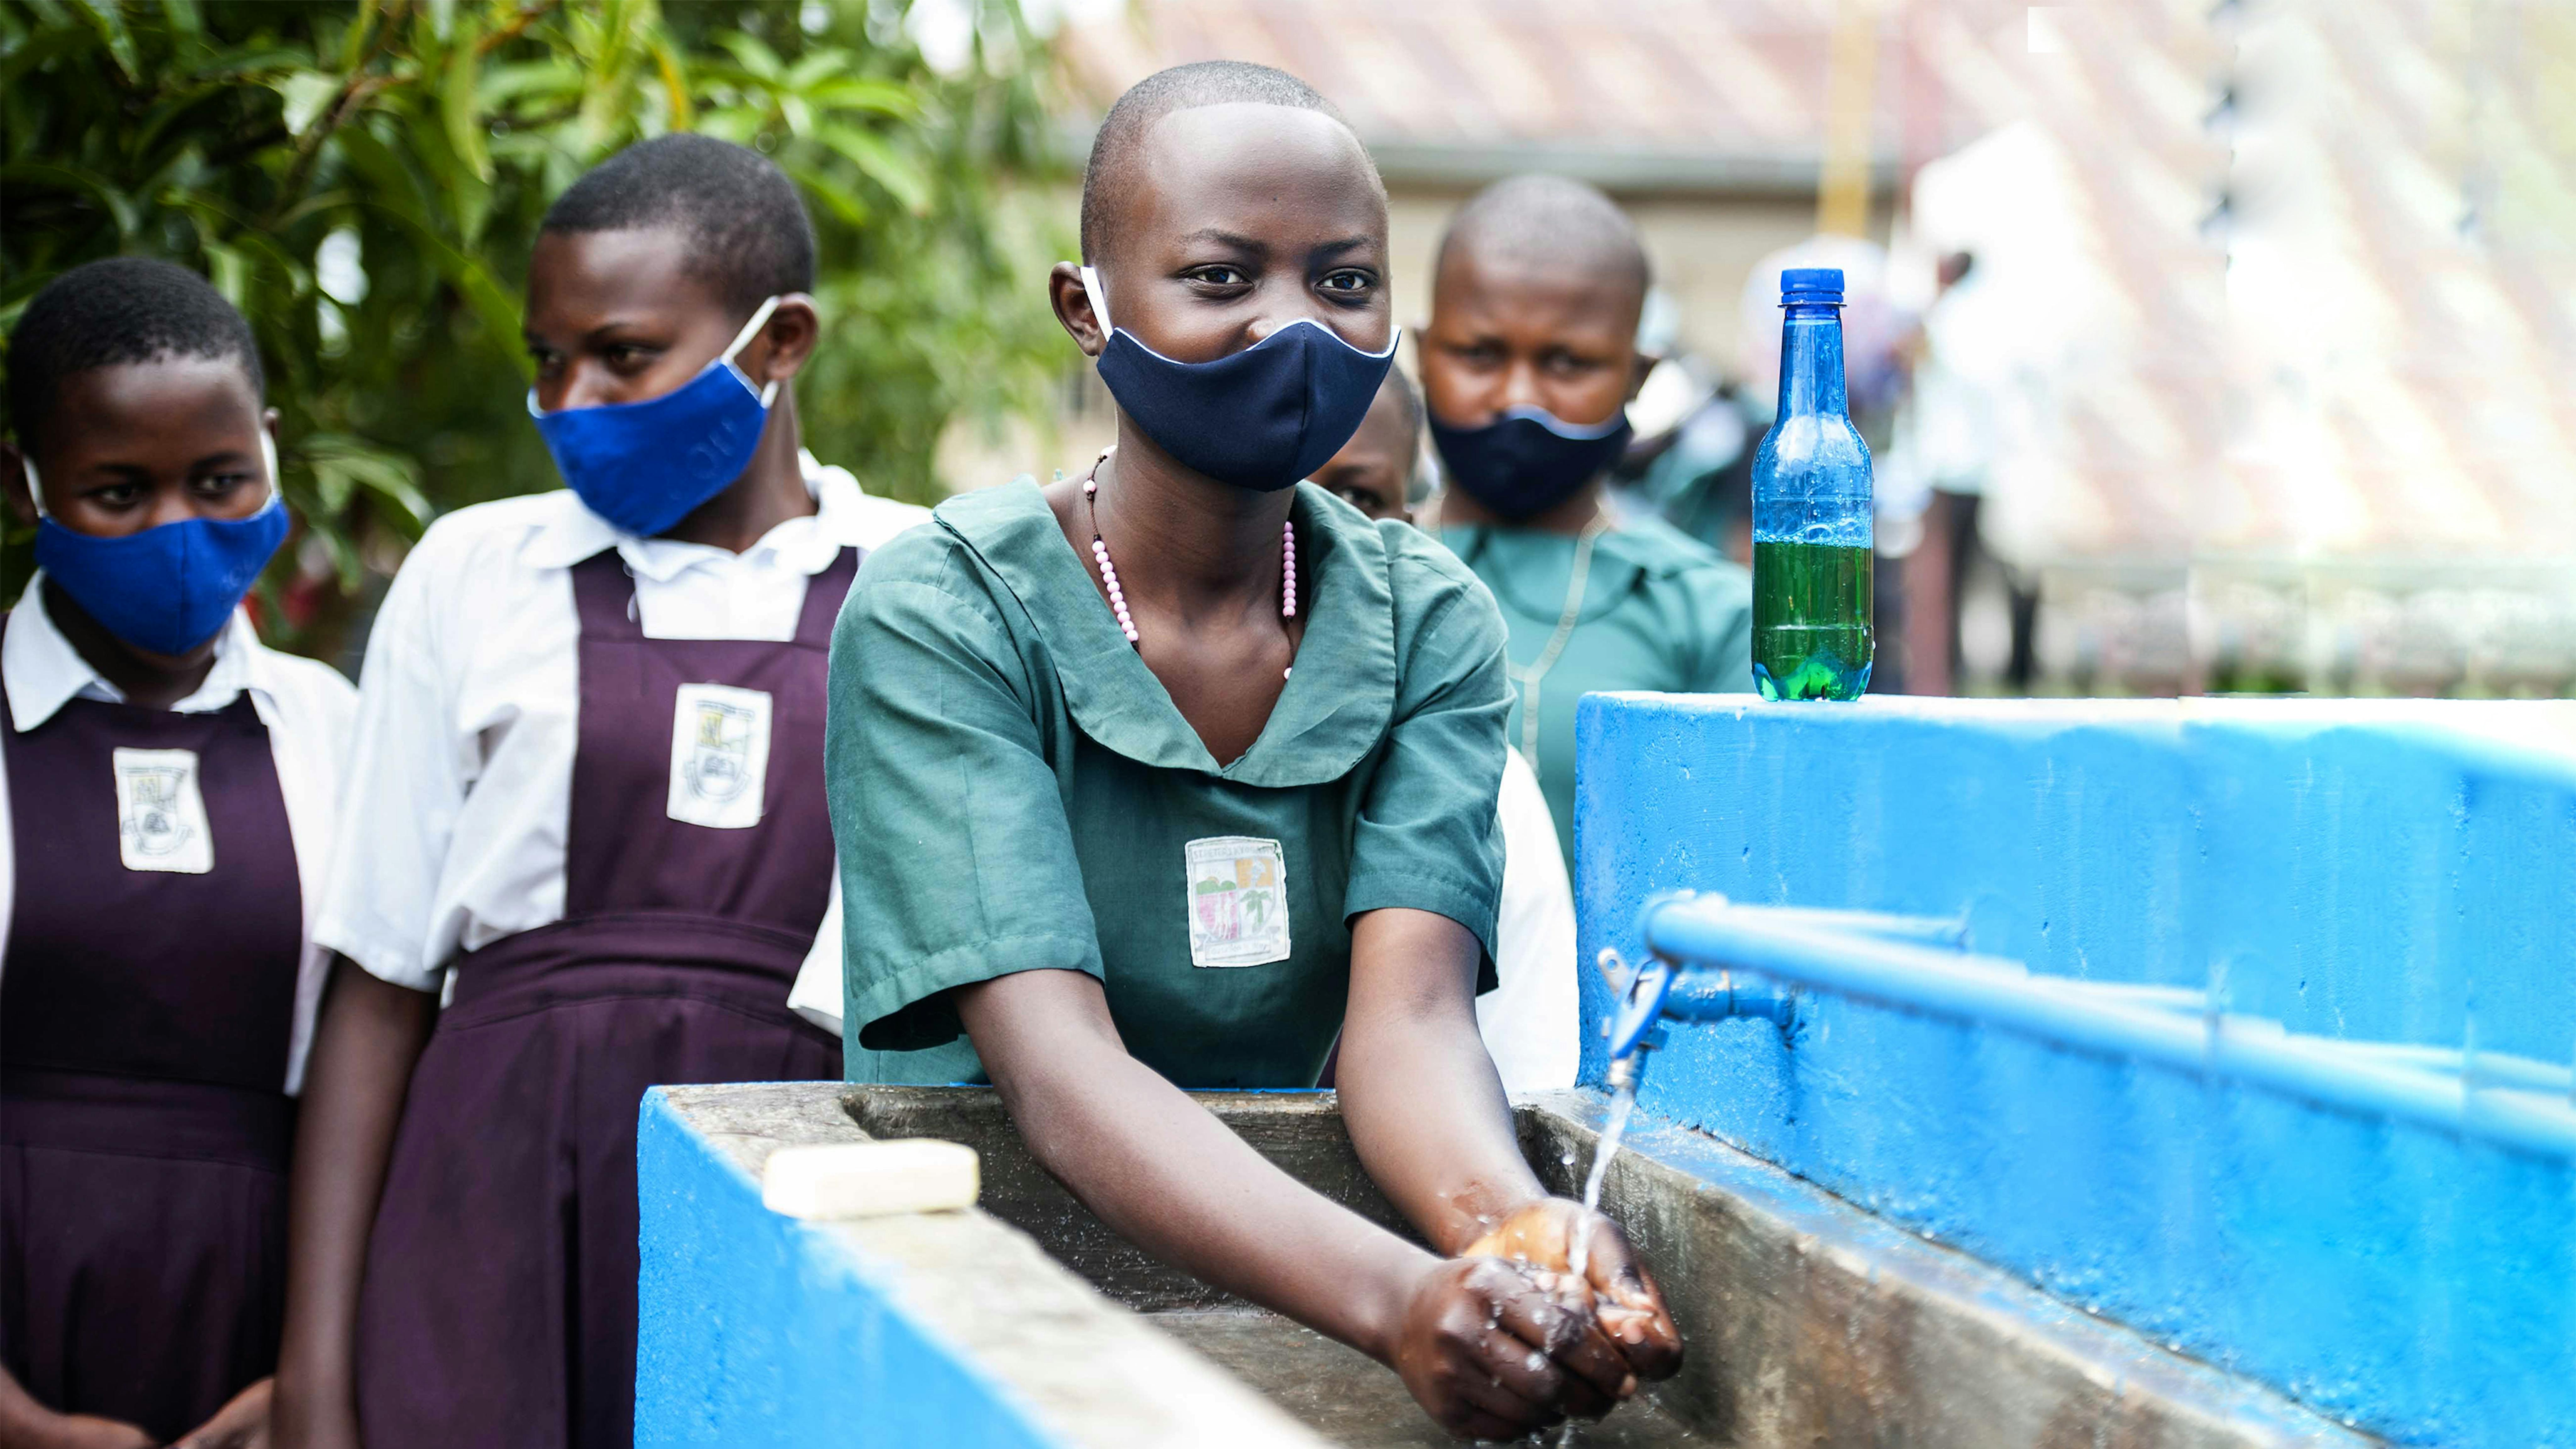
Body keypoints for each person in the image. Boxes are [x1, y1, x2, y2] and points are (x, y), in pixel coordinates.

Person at [829, 62, 1678, 1441]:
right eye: (1221, 279)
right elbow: (1059, 1073)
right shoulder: (948, 609)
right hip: (982, 1311)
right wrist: (1401, 1301)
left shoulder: (1423, 619)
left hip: (1314, 1326)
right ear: (1084, 311)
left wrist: (1512, 1236)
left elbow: (1403, 1025)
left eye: (1342, 283)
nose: (1292, 328)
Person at [271, 136, 930, 1449]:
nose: (571, 397)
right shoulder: (474, 573)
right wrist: (315, 1373)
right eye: (546, 359)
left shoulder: (921, 578)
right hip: (486, 1201)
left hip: (798, 1193)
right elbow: (381, 981)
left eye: (622, 355)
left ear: (781, 338)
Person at [0, 258, 356, 1449]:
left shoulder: (337, 732)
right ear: (24, 485)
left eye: (219, 481)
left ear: (269, 446)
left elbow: (386, 1070)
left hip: (269, 1342)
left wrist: (310, 1381)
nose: (180, 531)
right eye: (117, 491)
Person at [1418, 175, 1754, 869]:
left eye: (1566, 363)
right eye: (1479, 355)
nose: (1518, 398)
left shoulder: (1706, 614)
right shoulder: (1337, 571)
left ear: (1636, 376)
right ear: (1425, 352)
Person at [1309, 368, 1577, 1092]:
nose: (1313, 522)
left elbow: (1529, 1084)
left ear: (1410, 526)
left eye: (1358, 498)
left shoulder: (1488, 788)